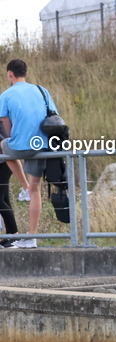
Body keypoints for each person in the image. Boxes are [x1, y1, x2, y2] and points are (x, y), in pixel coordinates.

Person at [0, 59, 56, 249]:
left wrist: (14, 137)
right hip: (41, 145)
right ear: (26, 73)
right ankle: (31, 236)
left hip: (20, 145)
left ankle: (23, 185)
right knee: (36, 190)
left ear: (10, 74)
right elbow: (53, 116)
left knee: (4, 145)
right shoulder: (42, 90)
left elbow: (6, 125)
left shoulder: (6, 95)